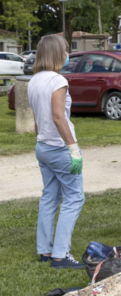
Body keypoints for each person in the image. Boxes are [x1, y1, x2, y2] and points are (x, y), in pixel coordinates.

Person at [28, 34, 85, 269]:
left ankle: (45, 250)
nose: (66, 54)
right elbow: (58, 116)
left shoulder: (34, 80)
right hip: (59, 148)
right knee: (74, 197)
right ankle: (60, 255)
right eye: (64, 50)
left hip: (42, 147)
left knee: (50, 196)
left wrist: (41, 138)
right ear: (56, 53)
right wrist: (73, 148)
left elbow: (37, 119)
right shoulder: (57, 80)